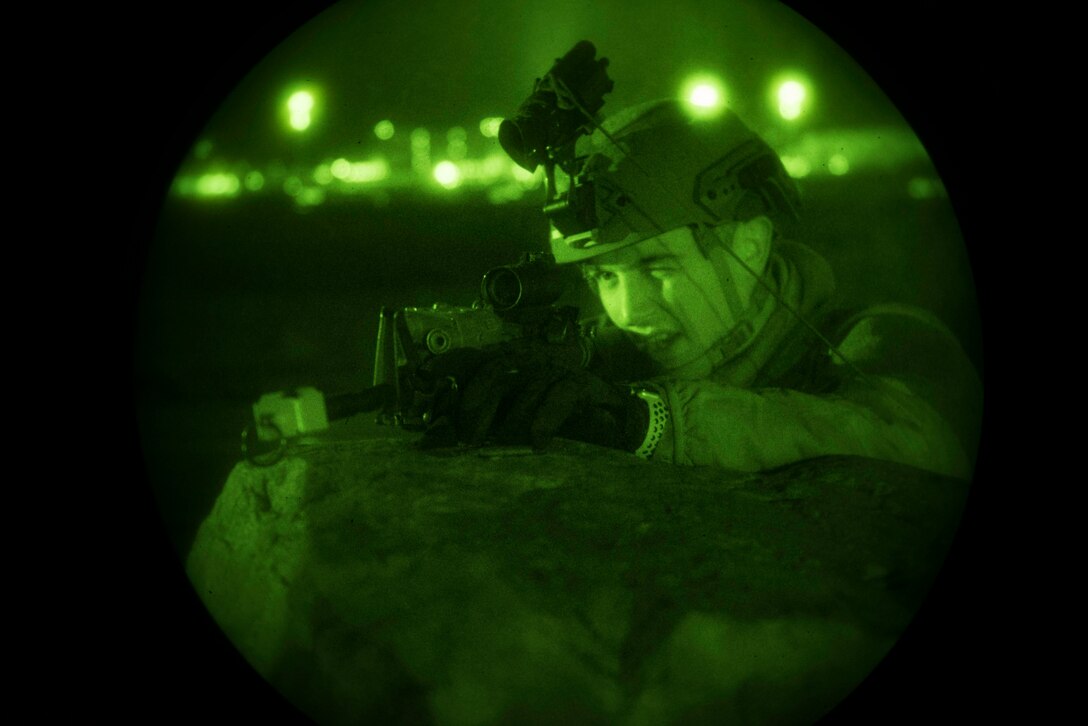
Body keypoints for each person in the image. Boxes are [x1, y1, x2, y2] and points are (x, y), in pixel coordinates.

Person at [426, 99, 982, 480]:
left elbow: (914, 443)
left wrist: (648, 424)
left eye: (659, 269)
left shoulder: (886, 339)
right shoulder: (607, 357)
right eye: (605, 276)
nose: (628, 311)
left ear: (750, 247)